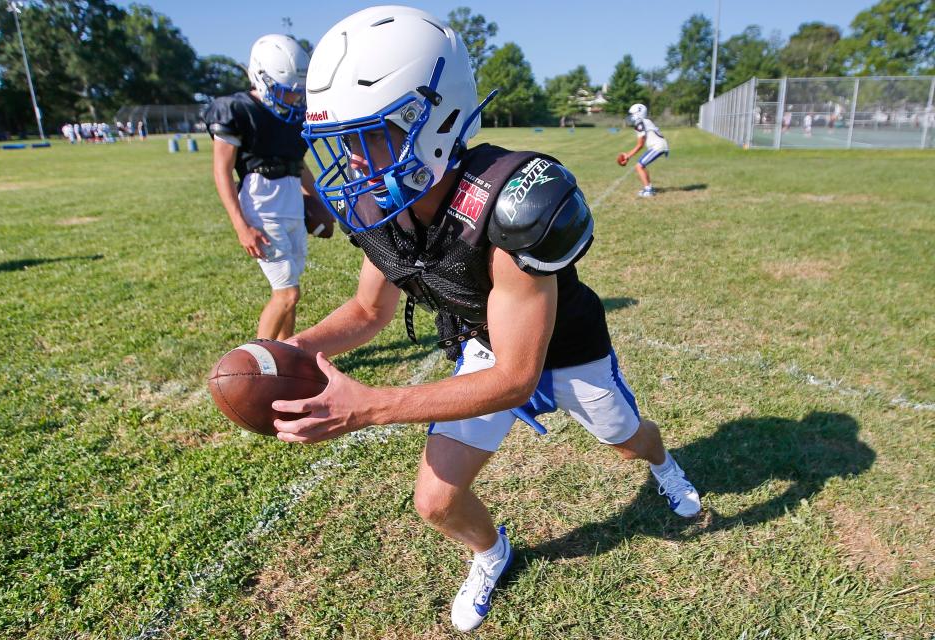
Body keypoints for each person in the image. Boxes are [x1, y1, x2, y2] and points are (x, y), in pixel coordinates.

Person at [272, 6, 700, 632]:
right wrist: (293, 348)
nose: (354, 164)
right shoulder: (387, 205)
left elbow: (518, 376)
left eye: (367, 137)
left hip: (563, 350)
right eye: (342, 143)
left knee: (627, 440)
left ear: (432, 120)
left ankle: (666, 466)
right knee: (436, 500)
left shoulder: (510, 204)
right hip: (481, 342)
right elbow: (368, 310)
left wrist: (367, 405)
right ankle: (492, 550)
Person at [202, 34, 333, 340]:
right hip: (262, 208)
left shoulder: (292, 117)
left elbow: (298, 166)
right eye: (286, 92)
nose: (292, 99)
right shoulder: (238, 109)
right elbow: (221, 171)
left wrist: (319, 202)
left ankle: (285, 353)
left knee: (290, 292)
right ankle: (259, 366)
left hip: (291, 207)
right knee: (287, 294)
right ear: (260, 77)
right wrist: (240, 226)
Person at [618, 103, 669, 197]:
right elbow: (640, 144)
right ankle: (648, 187)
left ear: (638, 113)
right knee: (641, 165)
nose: (631, 116)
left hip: (658, 146)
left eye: (632, 114)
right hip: (658, 146)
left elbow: (640, 145)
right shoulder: (645, 121)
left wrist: (628, 156)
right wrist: (627, 154)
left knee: (639, 166)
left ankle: (648, 190)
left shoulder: (640, 123)